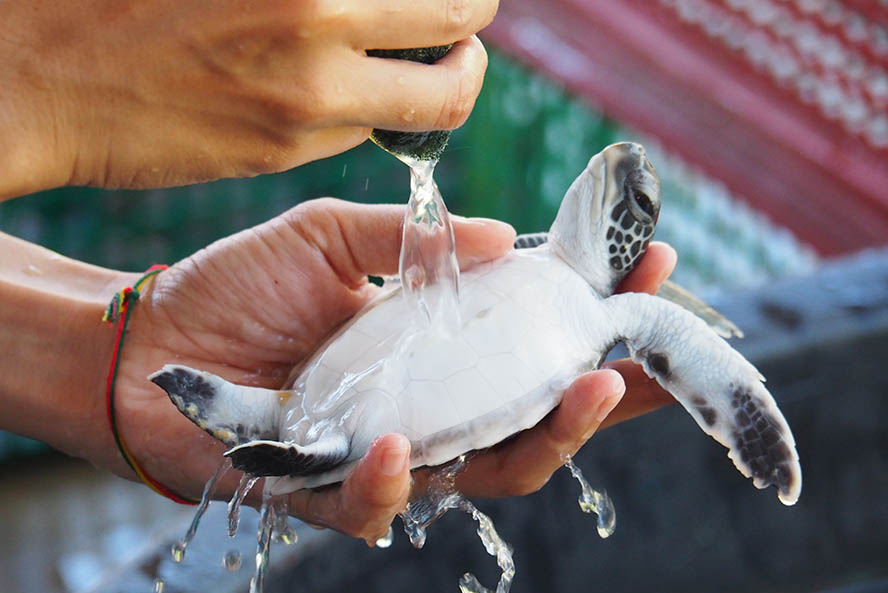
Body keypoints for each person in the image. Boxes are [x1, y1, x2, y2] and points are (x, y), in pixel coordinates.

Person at [0, 0, 675, 545]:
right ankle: (293, 428)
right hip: (386, 383)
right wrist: (38, 83)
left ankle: (293, 430)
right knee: (322, 440)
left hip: (387, 394)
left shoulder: (584, 288)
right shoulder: (551, 269)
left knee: (325, 443)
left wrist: (107, 355)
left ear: (618, 240)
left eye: (632, 207)